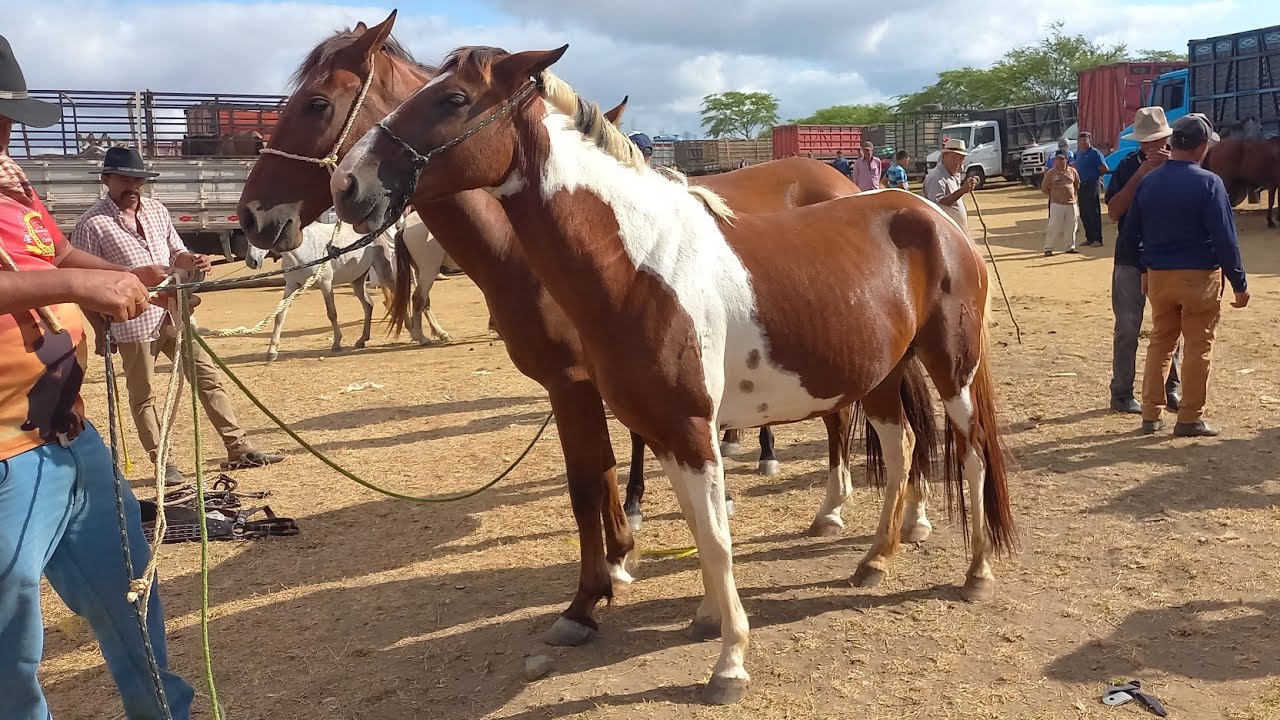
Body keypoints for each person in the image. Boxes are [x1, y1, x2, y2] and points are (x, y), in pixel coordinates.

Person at [0, 34, 195, 719]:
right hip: (5, 452)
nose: (6, 136)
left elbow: (55, 252)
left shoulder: (13, 187)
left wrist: (123, 275)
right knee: (8, 630)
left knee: (129, 588)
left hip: (68, 432)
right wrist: (85, 280)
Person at [70, 146, 284, 485]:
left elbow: (176, 252)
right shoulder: (91, 225)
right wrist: (100, 330)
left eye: (138, 180)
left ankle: (239, 448)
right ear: (106, 180)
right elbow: (87, 284)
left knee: (208, 378)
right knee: (144, 396)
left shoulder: (156, 209)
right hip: (132, 323)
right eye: (125, 180)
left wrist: (193, 260)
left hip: (176, 312)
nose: (133, 187)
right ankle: (163, 463)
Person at [1123, 112, 1249, 437]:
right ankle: (1189, 417)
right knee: (1197, 346)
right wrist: (1239, 284)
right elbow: (1225, 237)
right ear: (1203, 146)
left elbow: (1132, 231)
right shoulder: (1209, 182)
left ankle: (1150, 414)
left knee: (1160, 343)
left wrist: (1143, 268)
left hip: (1159, 276)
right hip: (1199, 276)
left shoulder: (1150, 181)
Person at [1103, 106, 1181, 414]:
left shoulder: (1180, 165)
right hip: (1130, 258)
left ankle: (1170, 388)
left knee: (1170, 327)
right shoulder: (1125, 167)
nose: (1152, 146)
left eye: (1157, 139)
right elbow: (1113, 212)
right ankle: (1121, 393)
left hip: (1168, 259)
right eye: (1145, 141)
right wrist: (1141, 174)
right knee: (1127, 327)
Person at [924, 138, 978, 232]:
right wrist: (962, 190)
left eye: (961, 158)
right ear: (944, 156)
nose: (958, 162)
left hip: (955, 232)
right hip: (944, 233)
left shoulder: (954, 174)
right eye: (953, 158)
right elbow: (938, 205)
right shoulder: (936, 177)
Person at [1073, 131, 1111, 247]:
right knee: (1084, 212)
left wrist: (1095, 175)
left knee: (1093, 211)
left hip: (1092, 185)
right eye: (1080, 140)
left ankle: (1097, 239)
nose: (1082, 142)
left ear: (1090, 141)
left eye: (1085, 139)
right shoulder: (1078, 154)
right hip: (1081, 185)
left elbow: (1104, 168)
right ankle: (1089, 238)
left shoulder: (1095, 153)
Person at [1041, 150, 1080, 256]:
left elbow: (1077, 184)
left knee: (1071, 226)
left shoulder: (1072, 171)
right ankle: (1048, 248)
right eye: (1057, 159)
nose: (1058, 161)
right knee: (1054, 226)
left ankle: (1070, 247)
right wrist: (1054, 196)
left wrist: (1072, 195)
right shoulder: (1051, 173)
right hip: (1057, 204)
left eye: (1061, 159)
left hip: (1071, 203)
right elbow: (1044, 188)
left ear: (1066, 160)